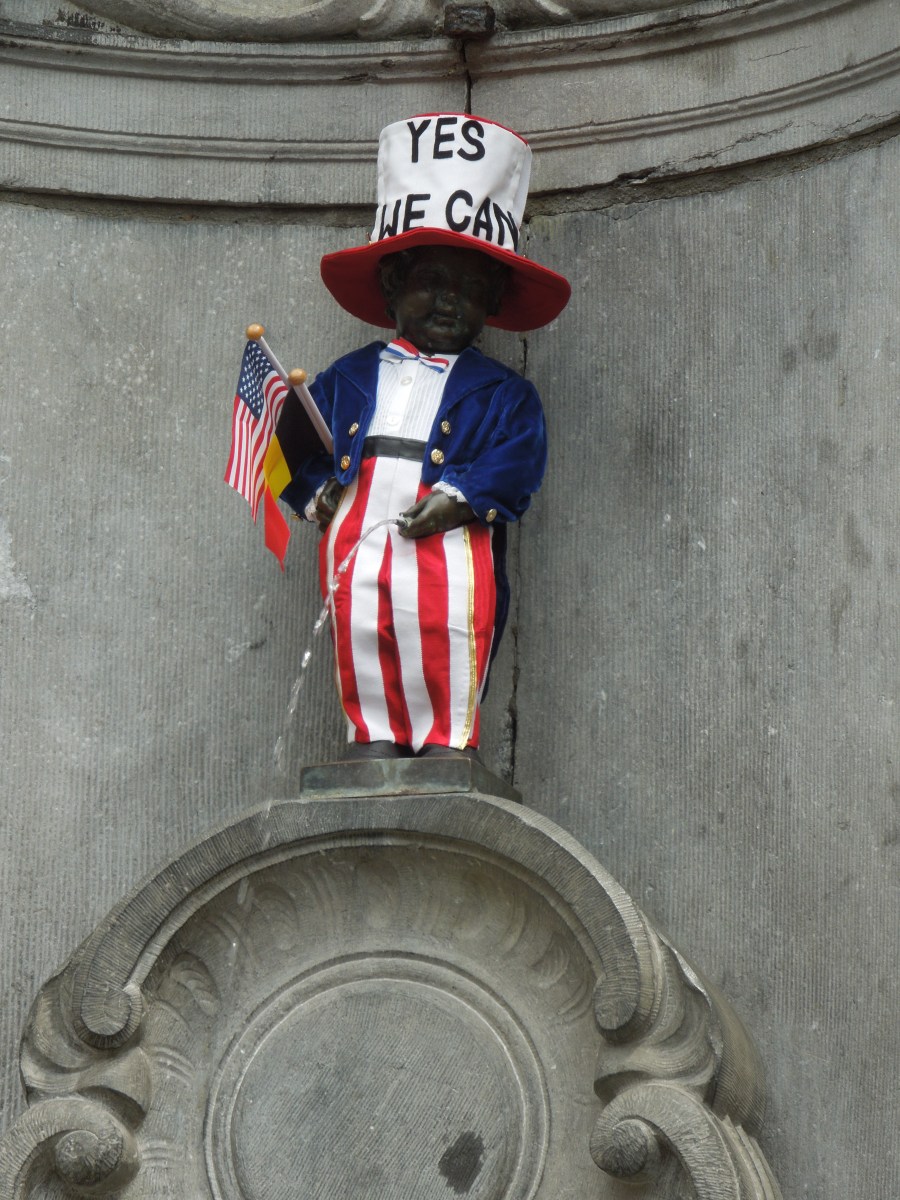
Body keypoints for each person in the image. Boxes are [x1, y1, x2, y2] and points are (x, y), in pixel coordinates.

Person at [280, 114, 570, 760]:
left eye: (470, 292)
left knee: (445, 628)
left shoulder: (502, 392)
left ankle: (445, 735)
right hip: (357, 532)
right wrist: (316, 491)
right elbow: (293, 445)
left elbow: (517, 456)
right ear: (392, 285)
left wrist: (463, 496)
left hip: (452, 542)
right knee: (362, 624)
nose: (449, 304)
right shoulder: (349, 376)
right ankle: (374, 730)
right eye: (432, 283)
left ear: (492, 303)